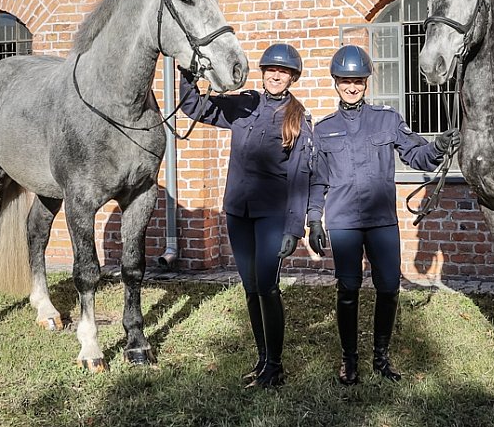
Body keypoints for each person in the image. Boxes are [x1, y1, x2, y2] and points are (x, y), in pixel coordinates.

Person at [306, 45, 460, 385]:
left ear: (366, 82)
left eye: (358, 80)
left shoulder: (387, 120)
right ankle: (349, 360)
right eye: (346, 80)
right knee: (348, 290)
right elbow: (317, 179)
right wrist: (314, 218)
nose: (352, 86)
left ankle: (381, 356)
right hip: (343, 222)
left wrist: (438, 146)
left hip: (381, 222)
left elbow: (417, 154)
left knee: (389, 288)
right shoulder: (323, 129)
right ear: (335, 82)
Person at [179, 43, 312, 388]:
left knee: (268, 287)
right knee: (251, 288)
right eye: (271, 70)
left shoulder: (298, 119)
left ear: (292, 78)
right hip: (238, 211)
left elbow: (300, 177)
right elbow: (195, 108)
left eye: (283, 72)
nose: (275, 76)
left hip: (272, 216)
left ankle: (276, 366)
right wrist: (187, 75)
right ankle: (262, 359)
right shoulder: (245, 104)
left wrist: (294, 229)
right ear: (263, 73)